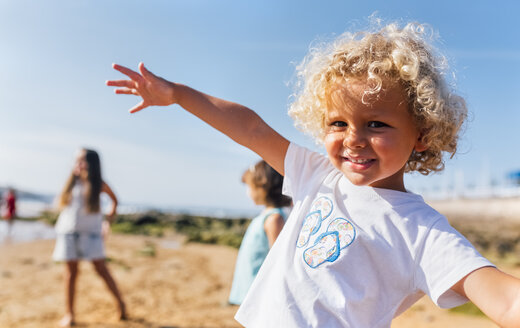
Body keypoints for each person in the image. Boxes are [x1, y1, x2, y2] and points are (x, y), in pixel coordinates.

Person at [106, 21, 520, 327]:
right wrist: (178, 95)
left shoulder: (421, 230)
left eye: (376, 124)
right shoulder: (316, 174)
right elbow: (250, 128)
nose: (353, 139)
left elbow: (503, 300)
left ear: (422, 134)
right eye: (338, 124)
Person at [52, 148, 126, 327]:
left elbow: (115, 200)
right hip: (69, 232)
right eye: (75, 161)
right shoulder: (72, 183)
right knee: (70, 273)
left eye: (81, 161)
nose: (77, 165)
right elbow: (62, 204)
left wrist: (108, 222)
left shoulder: (99, 184)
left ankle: (120, 303)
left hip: (92, 233)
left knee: (101, 270)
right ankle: (69, 313)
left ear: (91, 164)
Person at [229, 160, 292, 305]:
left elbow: (278, 259)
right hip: (251, 283)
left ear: (263, 187)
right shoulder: (266, 214)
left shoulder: (274, 218)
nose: (248, 193)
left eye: (250, 187)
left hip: (262, 291)